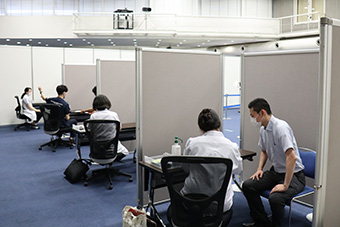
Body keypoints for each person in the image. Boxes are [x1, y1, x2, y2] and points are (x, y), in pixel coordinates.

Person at [242, 98, 305, 227]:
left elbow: (291, 157)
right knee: (248, 185)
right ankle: (262, 221)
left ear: (262, 112)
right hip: (276, 172)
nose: (252, 120)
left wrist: (286, 185)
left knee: (275, 199)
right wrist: (259, 169)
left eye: (253, 116)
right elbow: (264, 151)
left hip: (294, 176)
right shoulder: (263, 129)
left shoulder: (281, 128)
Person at [181, 108, 243, 226]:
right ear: (219, 124)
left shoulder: (192, 143)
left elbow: (186, 168)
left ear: (200, 126)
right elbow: (237, 170)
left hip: (191, 202)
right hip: (220, 205)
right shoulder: (231, 147)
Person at [90, 94, 129, 161]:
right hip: (111, 144)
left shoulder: (93, 116)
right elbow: (119, 128)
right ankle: (111, 161)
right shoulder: (113, 114)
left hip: (97, 147)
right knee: (125, 152)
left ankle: (107, 161)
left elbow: (91, 130)